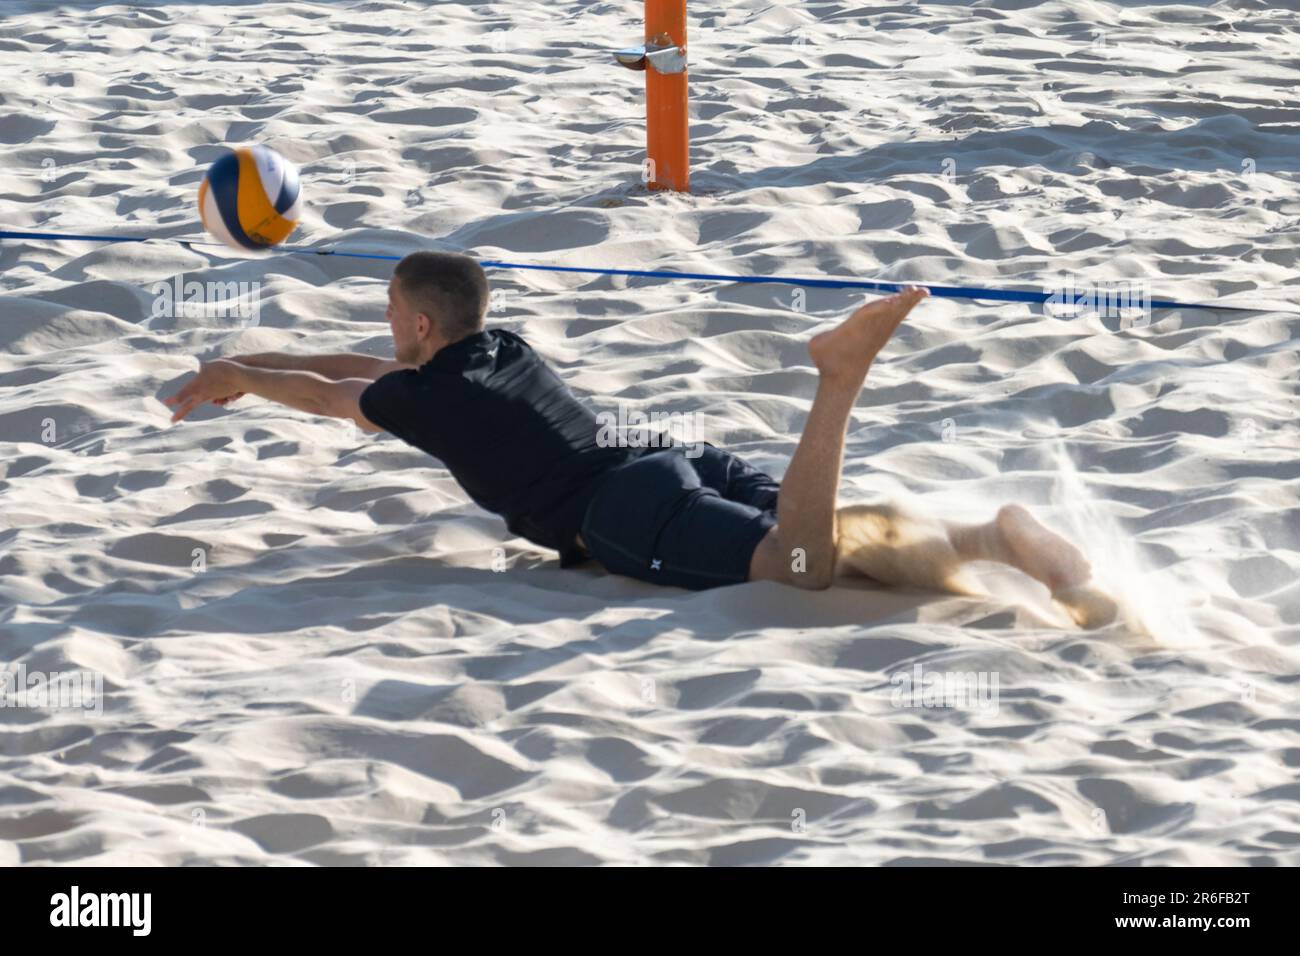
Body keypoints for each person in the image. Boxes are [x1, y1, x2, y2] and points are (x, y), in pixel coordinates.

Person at [165, 251, 1116, 628]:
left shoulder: (426, 400)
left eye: (389, 315)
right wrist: (245, 358)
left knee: (800, 566)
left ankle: (838, 378)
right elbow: (350, 365)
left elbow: (330, 392)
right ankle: (995, 540)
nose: (382, 331)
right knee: (843, 545)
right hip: (665, 457)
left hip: (616, 510)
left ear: (417, 326)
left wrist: (249, 378)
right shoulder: (497, 348)